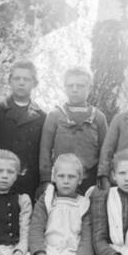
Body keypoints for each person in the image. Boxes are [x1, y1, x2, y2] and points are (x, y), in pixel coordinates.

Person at [39, 66, 108, 195]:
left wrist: (103, 177)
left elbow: (105, 152)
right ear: (65, 87)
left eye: (80, 86)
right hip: (61, 180)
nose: (75, 90)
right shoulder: (55, 115)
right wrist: (46, 179)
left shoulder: (98, 117)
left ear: (89, 88)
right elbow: (45, 150)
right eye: (70, 86)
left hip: (89, 181)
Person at [0, 59, 46, 200]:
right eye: (17, 78)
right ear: (9, 81)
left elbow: (42, 152)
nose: (21, 83)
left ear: (35, 83)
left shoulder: (41, 116)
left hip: (28, 182)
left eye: (26, 79)